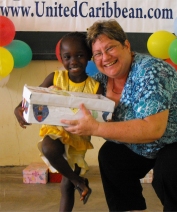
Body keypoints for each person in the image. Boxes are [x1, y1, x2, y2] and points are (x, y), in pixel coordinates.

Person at [61, 20, 177, 212]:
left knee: (167, 173)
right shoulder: (100, 79)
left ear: (126, 45)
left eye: (110, 48)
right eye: (98, 54)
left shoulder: (150, 71)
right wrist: (30, 105)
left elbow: (152, 129)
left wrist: (97, 128)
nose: (105, 57)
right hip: (147, 143)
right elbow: (66, 90)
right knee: (111, 157)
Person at [14, 32, 103, 212]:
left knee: (66, 186)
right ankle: (79, 181)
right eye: (67, 57)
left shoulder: (95, 86)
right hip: (56, 130)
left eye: (79, 55)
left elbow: (100, 114)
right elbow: (32, 97)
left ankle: (75, 182)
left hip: (78, 138)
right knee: (49, 148)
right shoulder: (54, 78)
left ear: (89, 56)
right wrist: (19, 108)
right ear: (61, 58)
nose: (74, 61)